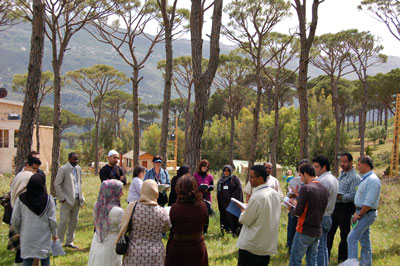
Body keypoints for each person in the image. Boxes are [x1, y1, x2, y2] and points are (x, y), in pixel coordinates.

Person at [115, 180, 170, 265]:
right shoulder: (162, 212)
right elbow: (167, 228)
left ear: (142, 190)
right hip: (155, 255)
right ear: (156, 192)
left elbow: (122, 225)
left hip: (134, 253)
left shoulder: (133, 207)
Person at [236, 165, 281, 266]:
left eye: (252, 177)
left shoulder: (257, 197)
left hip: (252, 246)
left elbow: (245, 220)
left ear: (260, 179)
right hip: (266, 245)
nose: (249, 180)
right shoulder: (274, 194)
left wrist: (243, 210)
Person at [11, 173, 58, 266]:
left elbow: (15, 218)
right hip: (43, 235)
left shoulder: (21, 198)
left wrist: (17, 231)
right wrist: (55, 234)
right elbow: (52, 220)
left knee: (27, 260)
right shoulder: (48, 199)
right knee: (45, 258)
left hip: (27, 235)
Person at [288, 163, 329, 266]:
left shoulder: (306, 188)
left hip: (304, 229)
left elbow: (298, 212)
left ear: (305, 174)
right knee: (312, 260)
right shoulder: (324, 189)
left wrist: (291, 208)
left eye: (300, 176)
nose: (301, 179)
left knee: (295, 260)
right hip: (317, 230)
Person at [165, 175, 209, 266]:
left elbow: (170, 226)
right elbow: (205, 222)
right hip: (197, 247)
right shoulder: (203, 206)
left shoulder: (175, 208)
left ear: (179, 189)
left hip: (178, 249)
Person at [346, 156, 381, 266]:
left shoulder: (373, 180)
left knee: (352, 238)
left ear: (366, 165)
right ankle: (366, 263)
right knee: (364, 240)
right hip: (362, 212)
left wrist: (359, 214)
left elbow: (369, 202)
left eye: (359, 164)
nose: (358, 166)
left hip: (366, 213)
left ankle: (353, 263)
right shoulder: (365, 178)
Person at [327, 152, 360, 263]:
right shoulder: (341, 175)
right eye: (341, 161)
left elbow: (353, 195)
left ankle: (342, 258)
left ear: (351, 162)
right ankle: (325, 255)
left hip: (346, 208)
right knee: (329, 232)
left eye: (345, 162)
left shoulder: (355, 177)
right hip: (335, 207)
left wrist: (340, 196)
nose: (342, 164)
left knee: (344, 234)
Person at [88, 180, 124, 266]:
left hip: (97, 240)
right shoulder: (118, 212)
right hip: (111, 244)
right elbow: (123, 229)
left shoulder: (97, 205)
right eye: (120, 190)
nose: (122, 193)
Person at [54, 152, 85, 249]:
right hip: (66, 200)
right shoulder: (63, 169)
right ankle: (58, 243)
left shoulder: (78, 169)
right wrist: (62, 198)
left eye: (77, 159)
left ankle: (69, 242)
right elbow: (57, 184)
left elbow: (79, 183)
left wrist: (81, 197)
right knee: (63, 222)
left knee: (74, 221)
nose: (76, 161)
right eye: (74, 159)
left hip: (77, 199)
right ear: (69, 159)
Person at [313, 155, 339, 266]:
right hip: (329, 215)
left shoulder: (322, 181)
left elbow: (315, 201)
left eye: (316, 166)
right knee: (323, 246)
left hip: (321, 216)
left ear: (324, 168)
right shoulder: (334, 179)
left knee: (318, 247)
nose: (314, 169)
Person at [286, 159, 308, 254]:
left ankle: (299, 249)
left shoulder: (310, 181)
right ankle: (290, 246)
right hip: (293, 206)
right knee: (291, 226)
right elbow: (290, 194)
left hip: (304, 209)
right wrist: (291, 194)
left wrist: (298, 194)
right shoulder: (294, 180)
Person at [217, 165, 243, 235]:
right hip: (223, 204)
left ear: (230, 171)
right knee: (224, 218)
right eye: (225, 170)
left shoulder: (235, 179)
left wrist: (231, 197)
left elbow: (239, 189)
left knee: (233, 218)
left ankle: (235, 232)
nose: (226, 172)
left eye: (228, 171)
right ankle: (225, 232)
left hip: (232, 204)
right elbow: (218, 192)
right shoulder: (220, 181)